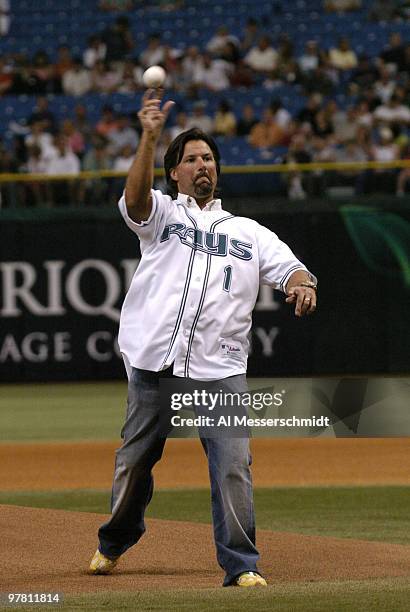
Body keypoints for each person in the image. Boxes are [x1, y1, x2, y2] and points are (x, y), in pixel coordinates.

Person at [89, 90, 317, 587]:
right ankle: (114, 540)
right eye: (191, 158)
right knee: (134, 463)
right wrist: (150, 136)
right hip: (155, 363)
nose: (202, 164)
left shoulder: (248, 232)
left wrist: (302, 284)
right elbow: (133, 200)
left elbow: (292, 268)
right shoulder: (164, 217)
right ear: (175, 172)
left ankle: (241, 566)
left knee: (233, 465)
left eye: (208, 157)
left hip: (220, 369)